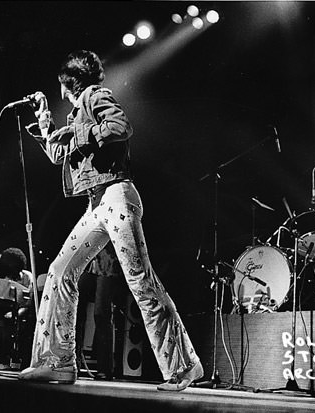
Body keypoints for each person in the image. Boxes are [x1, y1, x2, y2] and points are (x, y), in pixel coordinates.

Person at [19, 50, 203, 391]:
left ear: (68, 82)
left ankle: (183, 367)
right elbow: (58, 154)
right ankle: (57, 363)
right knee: (61, 271)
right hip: (97, 204)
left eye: (60, 85)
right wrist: (46, 121)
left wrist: (77, 135)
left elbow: (121, 126)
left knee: (140, 280)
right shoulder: (78, 113)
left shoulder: (95, 96)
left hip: (117, 196)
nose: (58, 92)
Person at [75, 242, 123, 381]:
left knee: (101, 314)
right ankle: (73, 362)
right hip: (88, 262)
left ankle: (105, 369)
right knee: (75, 311)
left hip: (108, 262)